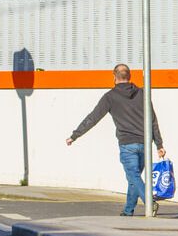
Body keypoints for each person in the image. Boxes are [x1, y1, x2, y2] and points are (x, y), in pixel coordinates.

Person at [66, 64, 166, 216]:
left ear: (114, 76)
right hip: (144, 144)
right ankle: (128, 211)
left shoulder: (110, 97)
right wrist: (159, 144)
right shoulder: (142, 93)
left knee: (133, 175)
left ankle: (149, 202)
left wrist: (75, 135)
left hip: (127, 144)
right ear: (130, 76)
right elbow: (153, 120)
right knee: (134, 177)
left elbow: (93, 118)